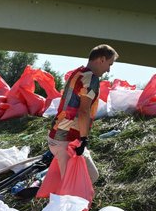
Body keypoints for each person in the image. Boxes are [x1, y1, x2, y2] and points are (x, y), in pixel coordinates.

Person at [47, 44, 118, 185]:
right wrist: (84, 139)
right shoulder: (91, 78)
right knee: (86, 178)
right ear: (102, 59)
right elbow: (84, 111)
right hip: (67, 139)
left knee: (71, 182)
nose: (108, 70)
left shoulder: (77, 73)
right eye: (109, 64)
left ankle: (61, 202)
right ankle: (63, 205)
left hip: (56, 135)